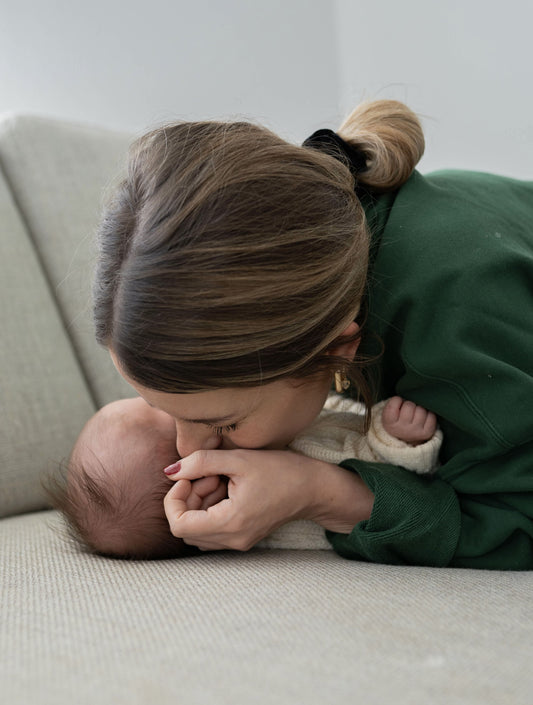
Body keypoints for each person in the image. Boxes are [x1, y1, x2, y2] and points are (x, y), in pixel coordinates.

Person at [90, 99, 532, 569]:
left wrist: (319, 493)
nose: (188, 451)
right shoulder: (343, 256)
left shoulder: (454, 310)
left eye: (225, 423)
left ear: (338, 347)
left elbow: (519, 520)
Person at [52, 394, 441, 559]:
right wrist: (396, 439)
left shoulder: (270, 440)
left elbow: (328, 410)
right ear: (202, 483)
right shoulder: (287, 504)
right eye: (167, 415)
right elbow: (395, 485)